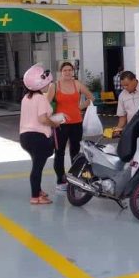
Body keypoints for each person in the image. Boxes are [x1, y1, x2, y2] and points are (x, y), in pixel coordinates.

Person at [46, 61, 94, 192]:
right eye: (65, 70)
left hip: (76, 123)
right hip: (60, 124)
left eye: (70, 70)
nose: (68, 72)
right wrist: (51, 118)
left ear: (73, 71)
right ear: (60, 72)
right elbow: (46, 104)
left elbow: (91, 97)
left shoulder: (77, 84)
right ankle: (61, 180)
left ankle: (75, 178)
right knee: (59, 152)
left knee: (75, 151)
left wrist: (80, 107)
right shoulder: (54, 86)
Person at [20, 64, 62, 205]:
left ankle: (38, 190)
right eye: (47, 83)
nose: (49, 85)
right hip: (38, 137)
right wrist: (55, 123)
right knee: (37, 168)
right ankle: (35, 197)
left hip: (25, 137)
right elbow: (43, 119)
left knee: (36, 164)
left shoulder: (26, 97)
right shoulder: (40, 98)